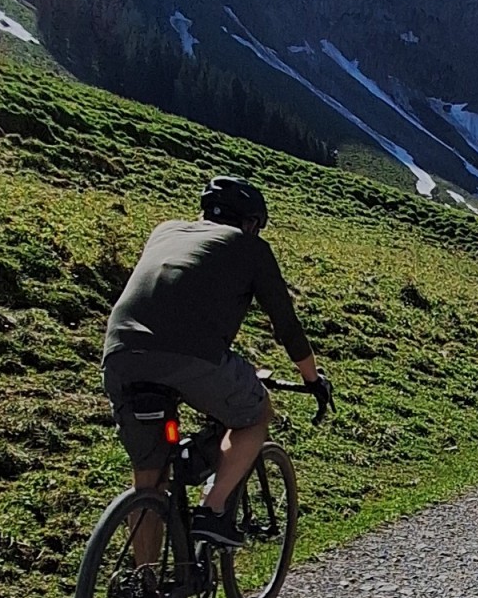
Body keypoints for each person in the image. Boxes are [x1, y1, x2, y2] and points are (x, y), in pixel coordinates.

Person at [100, 176, 330, 545]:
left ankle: (147, 591)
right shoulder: (251, 247)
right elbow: (286, 325)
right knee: (256, 413)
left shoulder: (164, 231)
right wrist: (312, 379)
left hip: (121, 355)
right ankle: (213, 509)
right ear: (251, 222)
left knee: (149, 479)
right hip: (193, 359)